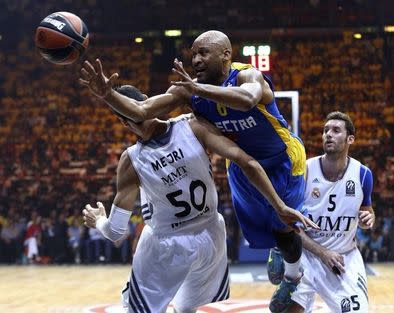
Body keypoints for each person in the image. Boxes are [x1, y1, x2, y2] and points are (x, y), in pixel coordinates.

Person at [79, 30, 311, 311]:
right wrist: (108, 94)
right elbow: (141, 110)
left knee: (283, 225)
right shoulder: (190, 116)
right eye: (193, 54)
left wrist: (196, 89)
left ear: (226, 55)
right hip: (223, 204)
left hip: (280, 158)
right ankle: (279, 246)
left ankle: (292, 276)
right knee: (268, 231)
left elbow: (249, 100)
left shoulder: (245, 76)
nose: (196, 59)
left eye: (203, 52)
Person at [270, 111, 375, 313]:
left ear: (350, 139)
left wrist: (368, 219)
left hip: (343, 260)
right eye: (326, 130)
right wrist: (322, 253)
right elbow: (290, 224)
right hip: (307, 257)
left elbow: (367, 211)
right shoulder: (306, 170)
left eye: (336, 130)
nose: (328, 134)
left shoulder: (362, 175)